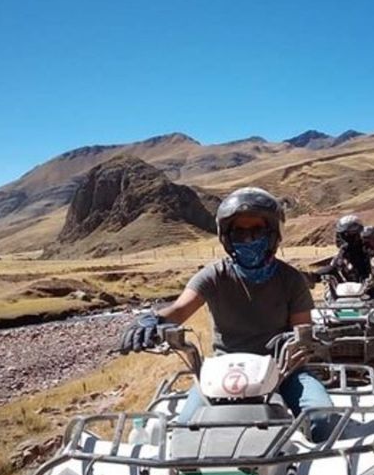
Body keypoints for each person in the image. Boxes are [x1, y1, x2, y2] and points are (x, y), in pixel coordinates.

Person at [119, 187, 335, 441]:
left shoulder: (291, 279)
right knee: (184, 432)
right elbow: (179, 309)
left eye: (257, 231)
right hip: (223, 372)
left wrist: (290, 360)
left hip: (283, 369)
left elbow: (302, 335)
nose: (248, 239)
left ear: (273, 234)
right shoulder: (213, 275)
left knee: (322, 420)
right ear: (227, 237)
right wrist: (153, 321)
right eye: (239, 232)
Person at [329, 215, 373, 282]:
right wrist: (315, 275)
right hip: (349, 289)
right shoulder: (343, 251)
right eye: (341, 235)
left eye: (345, 234)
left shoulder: (366, 248)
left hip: (370, 287)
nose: (341, 238)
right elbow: (332, 266)